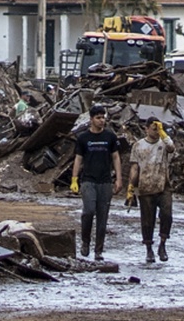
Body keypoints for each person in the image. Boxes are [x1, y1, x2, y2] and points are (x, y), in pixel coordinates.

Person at [70, 105, 122, 261]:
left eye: (103, 117)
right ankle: (85, 242)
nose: (102, 120)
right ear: (91, 119)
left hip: (105, 181)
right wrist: (74, 179)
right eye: (98, 117)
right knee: (89, 211)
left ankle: (99, 250)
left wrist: (118, 179)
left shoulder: (110, 137)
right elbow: (78, 159)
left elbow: (116, 157)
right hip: (88, 180)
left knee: (103, 217)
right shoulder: (83, 138)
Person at [127, 117, 175, 263]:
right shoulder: (138, 145)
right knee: (147, 220)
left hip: (163, 184)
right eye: (153, 129)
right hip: (145, 186)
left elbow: (172, 147)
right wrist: (131, 187)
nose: (156, 132)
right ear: (146, 128)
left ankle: (163, 244)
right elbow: (135, 167)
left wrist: (163, 133)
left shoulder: (164, 143)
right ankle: (149, 249)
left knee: (167, 214)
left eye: (158, 129)